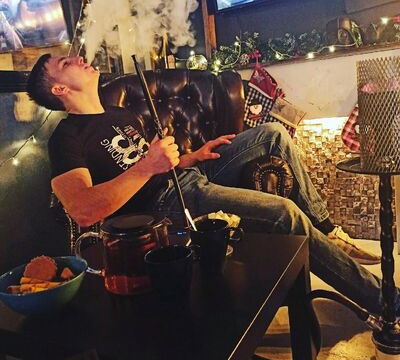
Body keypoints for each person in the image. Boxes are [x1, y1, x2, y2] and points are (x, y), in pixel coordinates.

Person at [27, 54, 397, 318]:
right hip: (165, 206)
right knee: (284, 214)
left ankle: (327, 229)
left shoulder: (119, 114)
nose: (78, 58)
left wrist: (192, 156)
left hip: (186, 178)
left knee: (272, 133)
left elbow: (158, 164)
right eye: (66, 63)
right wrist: (148, 166)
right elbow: (82, 208)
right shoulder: (66, 137)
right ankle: (386, 302)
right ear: (59, 88)